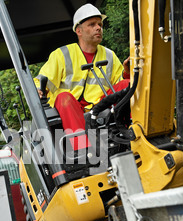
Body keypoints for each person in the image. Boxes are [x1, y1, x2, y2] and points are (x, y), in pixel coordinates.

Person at [34, 4, 130, 150]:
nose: (98, 28)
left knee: (128, 84)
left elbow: (119, 84)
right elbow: (41, 81)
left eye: (100, 24)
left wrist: (127, 74)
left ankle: (130, 132)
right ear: (78, 31)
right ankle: (84, 150)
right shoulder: (62, 54)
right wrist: (39, 90)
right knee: (64, 97)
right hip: (71, 107)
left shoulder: (109, 55)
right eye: (92, 24)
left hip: (100, 103)